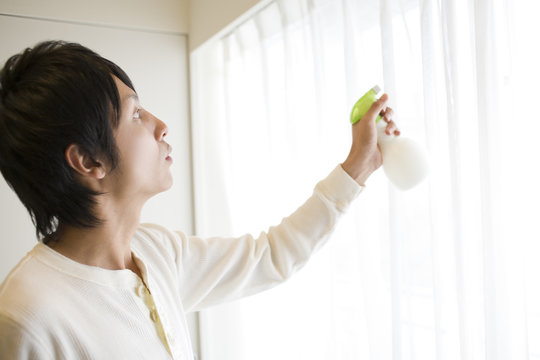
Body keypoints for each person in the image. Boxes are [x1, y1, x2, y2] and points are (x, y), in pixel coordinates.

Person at [0, 40, 399, 359]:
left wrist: (357, 167)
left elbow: (270, 256)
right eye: (135, 114)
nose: (159, 125)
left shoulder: (156, 251)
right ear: (88, 160)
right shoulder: (27, 317)